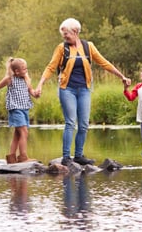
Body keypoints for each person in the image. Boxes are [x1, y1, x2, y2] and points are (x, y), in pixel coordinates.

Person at [35, 18, 131, 166]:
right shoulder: (62, 48)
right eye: (63, 34)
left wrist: (122, 76)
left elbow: (104, 63)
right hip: (67, 89)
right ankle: (66, 157)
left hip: (84, 89)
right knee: (70, 122)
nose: (64, 37)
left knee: (84, 124)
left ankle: (79, 155)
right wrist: (40, 84)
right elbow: (51, 67)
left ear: (76, 31)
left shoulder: (88, 46)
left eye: (66, 33)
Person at [0, 57, 38, 163]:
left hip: (25, 108)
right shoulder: (10, 79)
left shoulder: (26, 78)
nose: (26, 71)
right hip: (15, 108)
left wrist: (36, 94)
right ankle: (23, 157)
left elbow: (31, 91)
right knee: (24, 132)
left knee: (18, 133)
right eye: (24, 69)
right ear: (17, 71)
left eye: (26, 68)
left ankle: (11, 157)